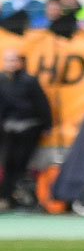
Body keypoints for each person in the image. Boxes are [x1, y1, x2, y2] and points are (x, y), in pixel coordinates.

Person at [0, 49, 52, 209]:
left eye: (13, 60)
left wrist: (47, 124)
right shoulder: (2, 81)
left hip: (28, 127)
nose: (11, 64)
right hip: (8, 128)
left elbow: (41, 104)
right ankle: (7, 197)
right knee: (9, 164)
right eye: (8, 60)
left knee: (22, 163)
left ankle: (18, 196)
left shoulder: (29, 81)